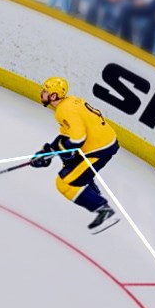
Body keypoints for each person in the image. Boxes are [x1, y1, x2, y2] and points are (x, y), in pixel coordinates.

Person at [29, 74, 121, 233]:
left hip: (99, 150)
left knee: (64, 183)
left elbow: (78, 138)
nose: (41, 93)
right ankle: (92, 190)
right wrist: (48, 151)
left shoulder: (63, 110)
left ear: (53, 96)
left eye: (45, 91)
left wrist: (55, 152)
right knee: (68, 162)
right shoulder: (69, 102)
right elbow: (67, 135)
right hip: (102, 142)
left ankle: (104, 211)